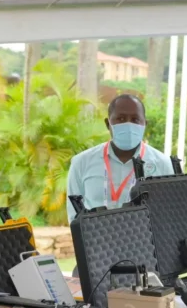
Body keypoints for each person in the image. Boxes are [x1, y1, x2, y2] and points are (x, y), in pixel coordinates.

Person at [66, 94, 174, 222]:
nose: (128, 124)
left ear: (145, 124)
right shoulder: (81, 163)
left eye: (135, 119)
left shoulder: (163, 165)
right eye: (121, 118)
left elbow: (170, 213)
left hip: (143, 235)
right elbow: (74, 216)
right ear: (108, 124)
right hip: (95, 234)